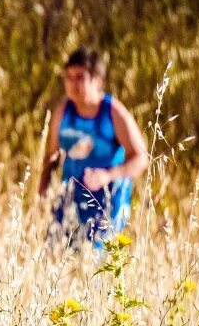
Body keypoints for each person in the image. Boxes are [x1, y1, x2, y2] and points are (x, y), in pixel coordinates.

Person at [37, 47, 149, 246]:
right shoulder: (63, 112)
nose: (73, 84)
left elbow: (141, 158)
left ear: (97, 80)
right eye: (68, 77)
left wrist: (108, 175)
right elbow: (52, 156)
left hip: (107, 203)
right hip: (70, 198)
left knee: (93, 265)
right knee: (54, 255)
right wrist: (42, 192)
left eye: (80, 77)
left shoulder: (113, 112)